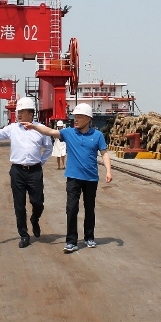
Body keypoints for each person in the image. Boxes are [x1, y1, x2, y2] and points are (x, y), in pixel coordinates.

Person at [22, 103, 112, 253]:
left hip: (91, 179)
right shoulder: (69, 133)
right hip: (73, 178)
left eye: (79, 117)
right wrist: (34, 126)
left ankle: (89, 237)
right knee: (71, 209)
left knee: (90, 209)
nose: (75, 119)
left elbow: (105, 154)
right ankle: (71, 241)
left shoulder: (97, 136)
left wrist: (108, 171)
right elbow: (50, 131)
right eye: (75, 117)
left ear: (88, 119)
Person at [0, 97, 52, 249]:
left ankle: (35, 219)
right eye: (18, 112)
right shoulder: (13, 128)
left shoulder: (41, 129)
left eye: (22, 112)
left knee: (38, 202)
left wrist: (41, 162)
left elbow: (49, 148)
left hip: (34, 171)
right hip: (17, 171)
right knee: (19, 205)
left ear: (30, 114)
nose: (18, 114)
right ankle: (24, 235)